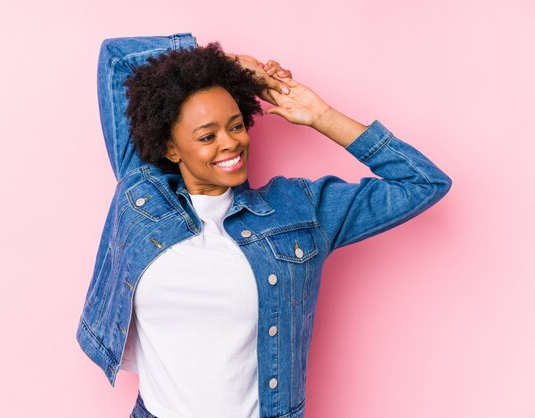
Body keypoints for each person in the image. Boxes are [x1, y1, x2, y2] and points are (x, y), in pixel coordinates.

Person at [75, 32, 452, 418]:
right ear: (171, 148)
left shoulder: (298, 211)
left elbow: (423, 183)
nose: (230, 143)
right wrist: (232, 65)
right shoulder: (141, 192)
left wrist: (321, 116)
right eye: (207, 136)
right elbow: (118, 57)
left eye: (236, 126)